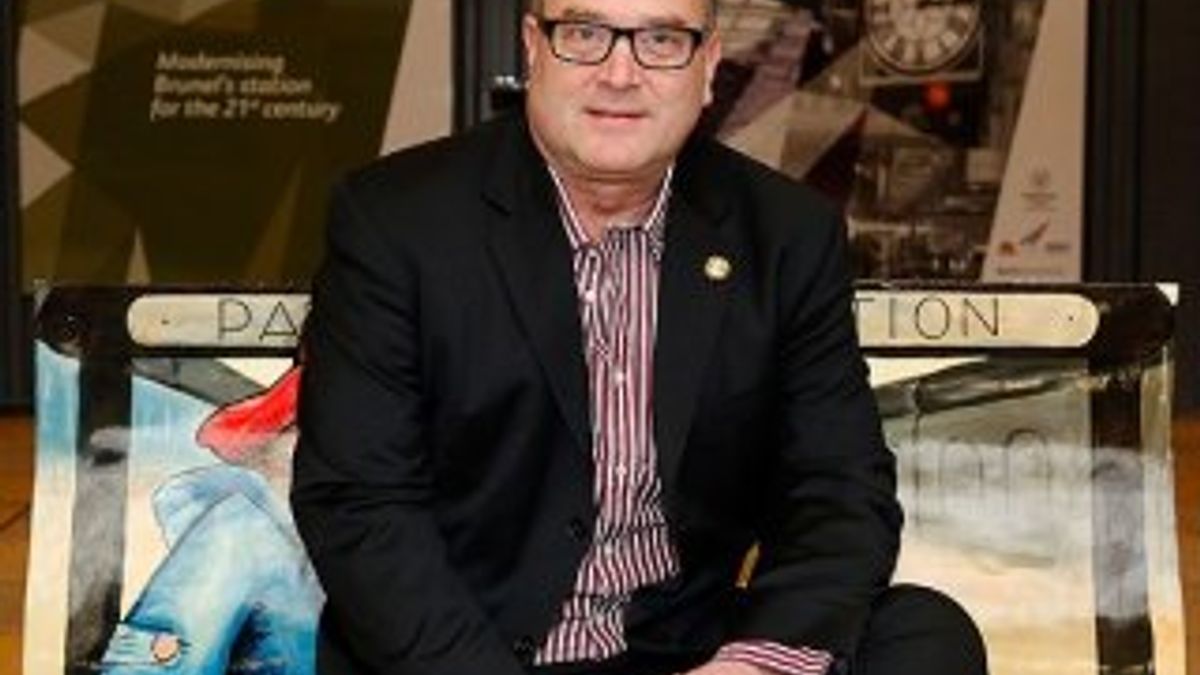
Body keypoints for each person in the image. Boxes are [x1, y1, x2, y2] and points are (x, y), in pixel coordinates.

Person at [291, 0, 987, 673]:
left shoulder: (784, 235)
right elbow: (359, 505)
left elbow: (840, 489)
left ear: (707, 66)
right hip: (466, 649)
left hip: (690, 649)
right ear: (533, 49)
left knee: (923, 634)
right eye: (585, 33)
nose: (620, 74)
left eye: (661, 40)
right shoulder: (395, 223)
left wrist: (749, 665)